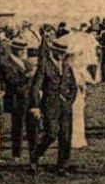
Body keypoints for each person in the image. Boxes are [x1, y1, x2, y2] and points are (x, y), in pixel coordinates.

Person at [29, 40, 79, 175]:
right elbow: (35, 87)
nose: (62, 56)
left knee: (66, 136)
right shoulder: (45, 65)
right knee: (51, 133)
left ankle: (62, 166)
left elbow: (73, 86)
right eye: (59, 53)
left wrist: (70, 100)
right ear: (53, 51)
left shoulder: (67, 65)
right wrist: (35, 106)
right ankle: (35, 156)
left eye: (64, 53)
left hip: (66, 106)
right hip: (50, 105)